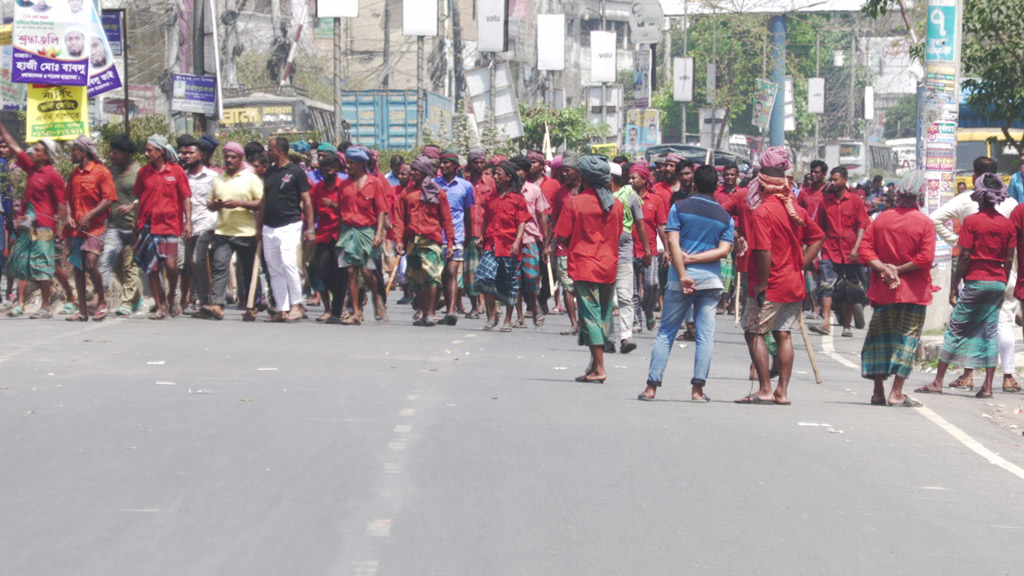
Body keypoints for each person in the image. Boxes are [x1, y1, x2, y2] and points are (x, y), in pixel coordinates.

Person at [638, 165, 734, 402]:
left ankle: (652, 387)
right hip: (710, 281)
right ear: (716, 187)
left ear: (696, 185)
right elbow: (724, 251)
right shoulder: (725, 217)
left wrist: (683, 272)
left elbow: (673, 242)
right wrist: (696, 259)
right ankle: (698, 390)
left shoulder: (679, 208)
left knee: (666, 332)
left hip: (679, 281)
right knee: (705, 336)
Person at [916, 174, 1016, 399]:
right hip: (998, 282)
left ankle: (938, 381)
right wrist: (1003, 278)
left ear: (979, 196)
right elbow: (1009, 259)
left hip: (976, 280)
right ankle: (988, 387)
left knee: (956, 329)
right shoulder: (1007, 225)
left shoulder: (972, 222)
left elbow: (964, 256)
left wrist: (954, 287)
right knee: (990, 332)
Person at [736, 166, 824, 405]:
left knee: (754, 332)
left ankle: (765, 388)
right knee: (783, 334)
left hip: (771, 283)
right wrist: (800, 265)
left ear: (763, 186)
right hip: (792, 283)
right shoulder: (796, 209)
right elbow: (817, 238)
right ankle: (781, 391)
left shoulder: (763, 212)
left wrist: (763, 283)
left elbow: (763, 250)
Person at [857, 171, 935, 407]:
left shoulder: (881, 219)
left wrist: (885, 269)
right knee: (906, 341)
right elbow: (925, 258)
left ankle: (878, 391)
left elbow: (865, 251)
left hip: (884, 292)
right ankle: (897, 392)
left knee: (880, 339)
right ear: (921, 196)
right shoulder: (925, 223)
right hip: (914, 293)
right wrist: (898, 270)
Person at [553, 156, 624, 383]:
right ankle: (593, 366)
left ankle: (600, 367)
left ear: (583, 177)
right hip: (609, 264)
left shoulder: (574, 203)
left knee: (591, 316)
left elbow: (562, 236)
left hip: (584, 265)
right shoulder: (617, 205)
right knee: (602, 315)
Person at [0, 124, 66, 319]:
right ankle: (20, 303)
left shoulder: (53, 175)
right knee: (20, 262)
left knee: (42, 266)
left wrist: (60, 228)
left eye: (37, 150)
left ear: (46, 155)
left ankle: (46, 305)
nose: (32, 152)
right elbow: (15, 146)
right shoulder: (31, 168)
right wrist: (3, 126)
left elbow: (61, 203)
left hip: (44, 226)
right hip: (26, 224)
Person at [132, 135, 191, 320]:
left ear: (160, 151)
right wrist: (136, 219)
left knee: (171, 265)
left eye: (149, 150)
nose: (146, 153)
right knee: (152, 267)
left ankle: (173, 293)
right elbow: (139, 197)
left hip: (170, 224)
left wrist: (188, 221)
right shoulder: (143, 172)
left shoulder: (176, 171)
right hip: (148, 224)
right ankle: (160, 305)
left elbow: (186, 197)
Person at [203, 142, 264, 320]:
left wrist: (239, 204)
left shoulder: (251, 178)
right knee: (220, 267)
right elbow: (209, 204)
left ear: (240, 159)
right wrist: (214, 204)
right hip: (223, 232)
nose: (229, 160)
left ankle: (253, 305)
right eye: (227, 157)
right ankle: (218, 305)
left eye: (233, 157)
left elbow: (260, 202)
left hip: (247, 232)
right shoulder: (219, 179)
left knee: (248, 271)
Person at [256, 137, 313, 323]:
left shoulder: (296, 172)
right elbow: (265, 200)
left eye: (270, 149)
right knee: (274, 268)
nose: (267, 153)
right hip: (269, 227)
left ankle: (297, 304)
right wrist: (259, 227)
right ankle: (282, 308)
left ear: (279, 151)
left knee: (289, 264)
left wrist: (310, 228)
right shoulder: (270, 171)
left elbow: (307, 201)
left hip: (290, 224)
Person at [393, 156, 455, 326]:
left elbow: (446, 219)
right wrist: (399, 239)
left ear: (425, 172)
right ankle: (423, 311)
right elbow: (399, 219)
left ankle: (430, 312)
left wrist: (450, 242)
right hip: (412, 240)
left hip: (431, 240)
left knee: (432, 276)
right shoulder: (407, 193)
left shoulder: (438, 192)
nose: (412, 173)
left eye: (415, 170)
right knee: (416, 278)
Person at [808, 166, 869, 338]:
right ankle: (826, 322)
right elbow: (819, 230)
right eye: (831, 179)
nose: (832, 182)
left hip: (851, 253)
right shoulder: (825, 202)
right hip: (829, 251)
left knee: (848, 291)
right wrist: (813, 253)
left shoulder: (856, 201)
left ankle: (847, 326)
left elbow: (862, 226)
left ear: (844, 180)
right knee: (825, 287)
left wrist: (857, 248)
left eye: (836, 179)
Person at [64, 135, 116, 322]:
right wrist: (69, 216)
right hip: (76, 229)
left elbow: (108, 199)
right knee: (78, 269)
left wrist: (89, 216)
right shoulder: (74, 174)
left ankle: (101, 300)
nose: (72, 153)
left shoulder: (101, 172)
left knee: (90, 263)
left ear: (83, 152)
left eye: (74, 150)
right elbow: (68, 199)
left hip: (95, 227)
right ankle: (83, 311)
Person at [336, 146, 389, 325]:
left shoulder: (375, 183)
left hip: (368, 231)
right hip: (349, 232)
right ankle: (356, 312)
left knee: (367, 271)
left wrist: (379, 233)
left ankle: (376, 296)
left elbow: (381, 209)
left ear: (360, 164)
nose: (347, 166)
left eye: (351, 163)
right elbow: (340, 212)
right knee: (351, 271)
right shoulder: (343, 185)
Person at [475, 160, 529, 332]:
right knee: (485, 275)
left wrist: (516, 243)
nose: (495, 177)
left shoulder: (518, 199)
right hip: (491, 243)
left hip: (509, 245)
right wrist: (482, 236)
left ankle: (507, 319)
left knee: (510, 282)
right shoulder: (490, 197)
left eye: (499, 174)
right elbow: (486, 219)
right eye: (494, 174)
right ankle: (492, 315)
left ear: (508, 177)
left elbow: (521, 222)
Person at [98, 135, 142, 317]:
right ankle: (103, 298)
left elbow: (147, 195)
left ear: (126, 153)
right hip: (113, 226)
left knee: (129, 266)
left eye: (115, 152)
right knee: (109, 261)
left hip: (133, 227)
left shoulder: (139, 172)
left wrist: (133, 206)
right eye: (111, 152)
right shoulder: (110, 172)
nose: (112, 155)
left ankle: (125, 302)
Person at [177, 136, 217, 316]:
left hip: (207, 225)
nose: (185, 156)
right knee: (191, 265)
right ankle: (199, 301)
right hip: (187, 227)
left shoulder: (212, 177)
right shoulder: (180, 175)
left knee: (196, 259)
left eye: (189, 153)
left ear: (201, 155)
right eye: (183, 153)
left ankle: (207, 300)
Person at [608, 161, 645, 352]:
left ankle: (625, 338)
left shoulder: (631, 197)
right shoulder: (600, 197)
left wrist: (646, 251)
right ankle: (608, 338)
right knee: (608, 298)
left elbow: (640, 224)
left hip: (623, 252)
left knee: (624, 296)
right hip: (604, 253)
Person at [510, 155, 550, 329]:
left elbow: (541, 215)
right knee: (515, 280)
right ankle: (519, 316)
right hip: (510, 241)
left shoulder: (534, 190)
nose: (517, 172)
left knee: (532, 277)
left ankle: (534, 305)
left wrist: (546, 242)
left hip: (530, 238)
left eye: (520, 169)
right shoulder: (507, 191)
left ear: (525, 172)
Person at [435, 149, 474, 325]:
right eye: (441, 163)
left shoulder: (465, 186)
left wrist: (469, 234)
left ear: (455, 165)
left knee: (451, 271)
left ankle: (451, 311)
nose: (443, 166)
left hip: (457, 235)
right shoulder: (434, 184)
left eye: (446, 163)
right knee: (440, 274)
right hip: (437, 236)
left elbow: (468, 212)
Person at [547, 151, 583, 336]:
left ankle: (586, 321)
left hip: (585, 244)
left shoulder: (587, 189)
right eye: (562, 171)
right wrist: (548, 243)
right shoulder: (561, 192)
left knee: (582, 285)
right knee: (567, 285)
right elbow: (553, 220)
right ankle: (574, 323)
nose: (564, 174)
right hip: (563, 246)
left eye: (567, 170)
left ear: (577, 171)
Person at [628, 163, 662, 333]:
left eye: (634, 178)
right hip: (629, 250)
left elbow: (662, 227)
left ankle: (648, 310)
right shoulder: (625, 198)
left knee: (653, 284)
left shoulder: (655, 200)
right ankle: (635, 321)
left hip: (650, 251)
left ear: (643, 179)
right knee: (632, 289)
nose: (631, 181)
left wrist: (668, 250)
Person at [463, 147, 494, 318]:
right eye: (476, 162)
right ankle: (475, 305)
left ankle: (488, 304)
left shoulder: (491, 183)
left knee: (486, 271)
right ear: (470, 164)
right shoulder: (464, 183)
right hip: (469, 232)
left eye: (482, 162)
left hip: (487, 232)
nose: (480, 165)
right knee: (470, 271)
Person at [714, 162, 746, 314]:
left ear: (737, 176)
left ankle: (735, 301)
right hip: (722, 233)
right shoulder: (717, 193)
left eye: (732, 174)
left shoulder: (742, 193)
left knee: (738, 268)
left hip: (740, 235)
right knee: (722, 268)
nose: (729, 177)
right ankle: (722, 301)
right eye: (727, 174)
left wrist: (740, 235)